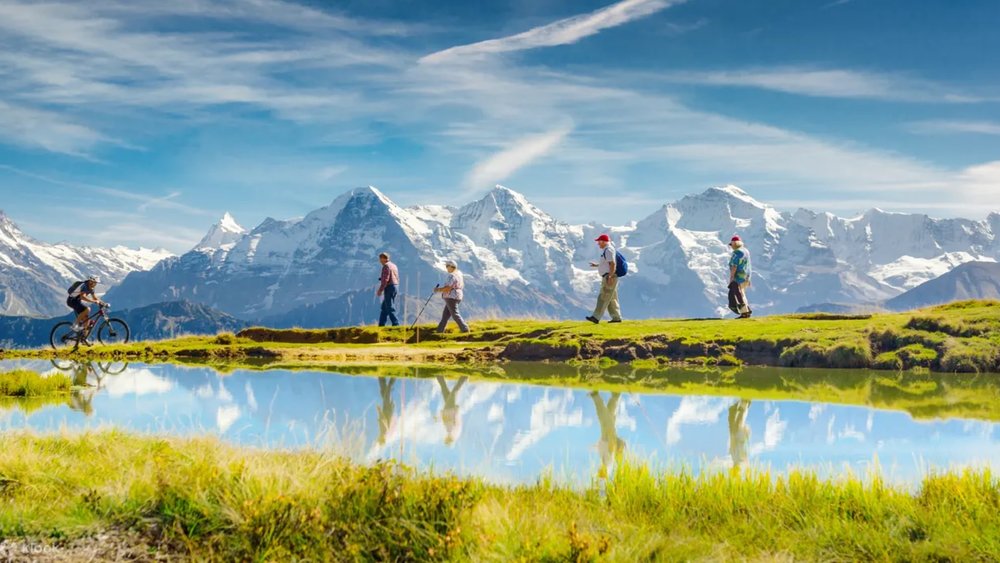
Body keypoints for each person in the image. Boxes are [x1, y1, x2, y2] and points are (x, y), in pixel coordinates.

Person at [586, 234, 622, 324]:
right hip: (609, 275)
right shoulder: (608, 250)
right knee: (611, 298)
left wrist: (610, 276)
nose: (598, 244)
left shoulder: (608, 250)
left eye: (599, 242)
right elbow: (607, 263)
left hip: (609, 276)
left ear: (603, 241)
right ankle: (616, 317)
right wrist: (597, 265)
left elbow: (613, 264)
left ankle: (596, 317)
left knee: (603, 297)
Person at [434, 260, 470, 333]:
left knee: (454, 314)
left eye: (447, 266)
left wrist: (438, 290)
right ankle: (439, 330)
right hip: (458, 296)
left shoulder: (452, 275)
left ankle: (465, 328)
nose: (446, 268)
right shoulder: (459, 274)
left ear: (451, 266)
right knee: (446, 315)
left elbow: (448, 288)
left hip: (451, 296)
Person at [728, 235, 752, 318]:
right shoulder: (746, 251)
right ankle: (747, 310)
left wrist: (731, 278)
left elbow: (734, 266)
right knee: (742, 293)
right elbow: (748, 265)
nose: (731, 247)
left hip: (738, 277)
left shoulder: (737, 252)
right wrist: (749, 279)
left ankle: (744, 312)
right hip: (746, 277)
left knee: (737, 294)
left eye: (731, 245)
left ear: (734, 244)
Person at [376, 252, 400, 327]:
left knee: (389, 306)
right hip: (395, 286)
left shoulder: (386, 266)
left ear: (383, 259)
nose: (379, 261)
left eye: (380, 259)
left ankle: (395, 324)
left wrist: (380, 290)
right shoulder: (393, 265)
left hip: (389, 287)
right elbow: (394, 276)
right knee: (384, 307)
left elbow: (385, 280)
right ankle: (381, 325)